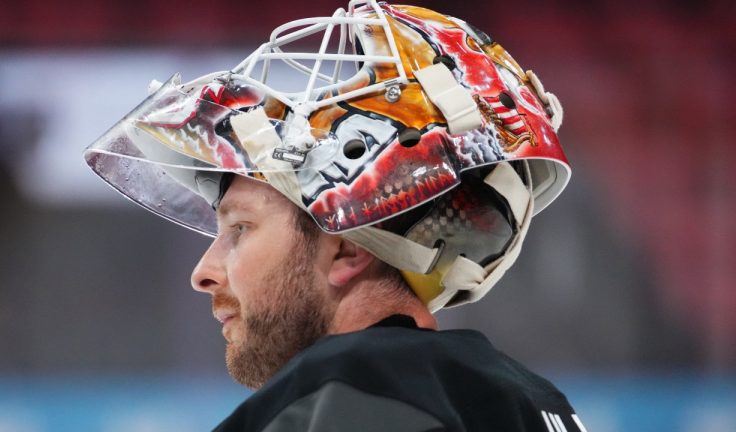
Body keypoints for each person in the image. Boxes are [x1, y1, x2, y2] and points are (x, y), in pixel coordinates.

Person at [85, 1, 586, 430]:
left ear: (346, 247)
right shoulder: (541, 404)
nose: (203, 273)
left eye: (240, 228)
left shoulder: (342, 386)